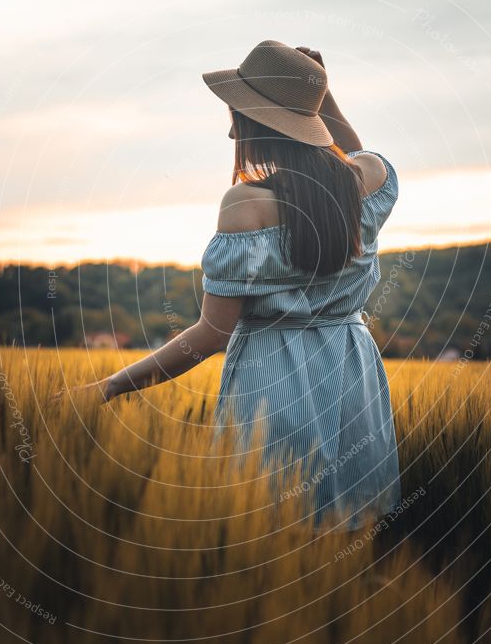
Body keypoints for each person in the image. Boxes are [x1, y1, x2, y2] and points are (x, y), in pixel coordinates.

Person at [58, 40, 402, 531]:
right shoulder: (367, 178)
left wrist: (112, 385)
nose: (229, 128)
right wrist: (317, 94)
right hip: (353, 371)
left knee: (268, 532)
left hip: (274, 378)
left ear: (260, 121)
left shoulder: (246, 203)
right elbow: (354, 151)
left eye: (237, 113)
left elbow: (210, 335)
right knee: (351, 533)